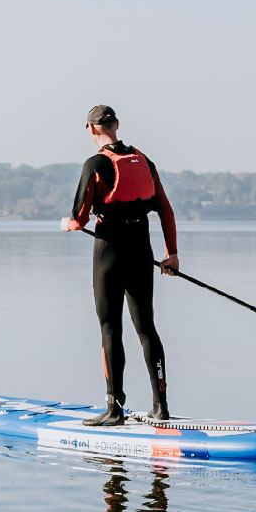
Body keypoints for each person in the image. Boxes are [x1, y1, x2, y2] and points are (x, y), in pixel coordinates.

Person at [61, 105, 179, 426]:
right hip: (142, 247)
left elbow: (80, 216)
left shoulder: (95, 163)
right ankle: (161, 405)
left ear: (91, 129)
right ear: (116, 125)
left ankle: (114, 409)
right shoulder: (144, 161)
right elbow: (165, 209)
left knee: (110, 327)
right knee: (146, 328)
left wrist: (70, 224)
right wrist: (172, 254)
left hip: (110, 250)